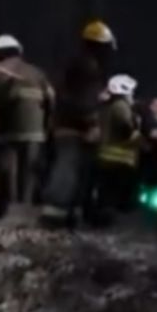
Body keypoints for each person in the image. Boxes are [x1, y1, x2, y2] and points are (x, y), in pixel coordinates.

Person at [40, 20, 116, 227]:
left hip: (66, 124)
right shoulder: (89, 67)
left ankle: (69, 212)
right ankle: (56, 213)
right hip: (74, 127)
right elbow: (86, 99)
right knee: (68, 169)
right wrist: (92, 123)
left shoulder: (76, 64)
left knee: (74, 170)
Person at [0, 34, 54, 221]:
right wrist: (46, 127)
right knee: (30, 172)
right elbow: (51, 100)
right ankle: (26, 210)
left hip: (6, 133)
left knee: (7, 173)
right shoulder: (38, 73)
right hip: (35, 134)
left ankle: (10, 211)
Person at [88, 74, 141, 225]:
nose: (132, 95)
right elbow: (126, 128)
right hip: (118, 158)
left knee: (106, 193)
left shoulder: (108, 106)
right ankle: (107, 222)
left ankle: (103, 220)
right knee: (113, 194)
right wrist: (136, 129)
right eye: (131, 92)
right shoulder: (121, 106)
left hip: (107, 156)